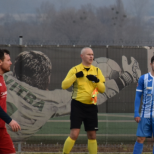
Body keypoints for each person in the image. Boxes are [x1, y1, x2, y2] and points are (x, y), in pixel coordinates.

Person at [5, 51, 141, 141]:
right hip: (9, 134)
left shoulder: (5, 77)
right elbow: (95, 97)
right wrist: (127, 78)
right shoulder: (54, 100)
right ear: (47, 78)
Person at [59, 47, 106, 154]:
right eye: (88, 54)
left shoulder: (96, 70)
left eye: (92, 54)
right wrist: (75, 76)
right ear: (82, 56)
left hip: (91, 106)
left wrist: (96, 81)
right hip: (77, 105)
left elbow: (103, 89)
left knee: (92, 135)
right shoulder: (75, 69)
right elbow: (64, 85)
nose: (91, 57)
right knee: (74, 134)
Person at [0, 49, 31, 154]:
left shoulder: (2, 78)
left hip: (1, 130)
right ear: (0, 62)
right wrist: (10, 120)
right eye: (8, 60)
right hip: (2, 125)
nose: (10, 62)